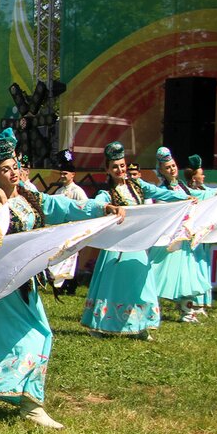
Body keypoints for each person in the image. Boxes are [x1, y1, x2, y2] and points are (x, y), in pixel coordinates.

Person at [0, 129, 119, 428]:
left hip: (25, 282)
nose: (13, 173)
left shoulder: (31, 197)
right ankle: (26, 404)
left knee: (1, 336)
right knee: (35, 333)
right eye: (6, 169)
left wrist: (101, 208)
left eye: (15, 166)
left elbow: (65, 207)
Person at [81, 142, 190, 339]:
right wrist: (107, 207)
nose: (120, 170)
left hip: (138, 244)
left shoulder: (138, 186)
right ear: (107, 169)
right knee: (113, 284)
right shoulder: (106, 194)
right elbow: (95, 205)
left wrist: (185, 198)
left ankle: (142, 324)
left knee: (142, 283)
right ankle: (101, 324)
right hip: (116, 247)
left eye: (122, 165)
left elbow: (162, 193)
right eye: (114, 167)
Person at [150, 147, 217, 322]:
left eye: (173, 165)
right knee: (156, 274)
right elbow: (165, 207)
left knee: (187, 276)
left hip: (185, 239)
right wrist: (184, 202)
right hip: (170, 239)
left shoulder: (181, 185)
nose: (172, 169)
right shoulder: (162, 190)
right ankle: (150, 310)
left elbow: (199, 194)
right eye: (167, 167)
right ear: (161, 171)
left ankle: (187, 312)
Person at [45, 150, 88, 295]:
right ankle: (59, 284)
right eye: (61, 174)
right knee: (61, 257)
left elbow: (84, 208)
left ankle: (71, 285)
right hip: (61, 230)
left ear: (72, 175)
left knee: (72, 258)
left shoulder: (77, 191)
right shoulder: (59, 191)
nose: (62, 176)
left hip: (73, 229)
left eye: (65, 174)